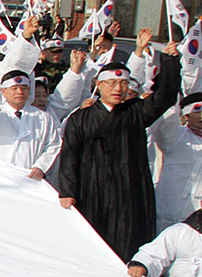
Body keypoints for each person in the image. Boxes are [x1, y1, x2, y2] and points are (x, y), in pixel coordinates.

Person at [59, 32, 181, 261]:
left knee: (129, 242)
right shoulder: (81, 118)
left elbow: (164, 97)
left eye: (123, 83)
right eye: (112, 83)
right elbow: (70, 155)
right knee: (94, 245)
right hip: (93, 189)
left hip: (130, 188)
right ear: (99, 84)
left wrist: (171, 62)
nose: (118, 88)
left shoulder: (136, 111)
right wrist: (68, 192)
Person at [151, 92, 202, 231]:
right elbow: (165, 123)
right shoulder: (175, 137)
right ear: (186, 116)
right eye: (198, 112)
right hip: (175, 207)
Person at [0, 67, 62, 180]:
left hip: (28, 177)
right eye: (14, 88)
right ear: (3, 91)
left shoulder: (43, 117)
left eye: (24, 88)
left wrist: (41, 167)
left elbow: (53, 145)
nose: (20, 92)